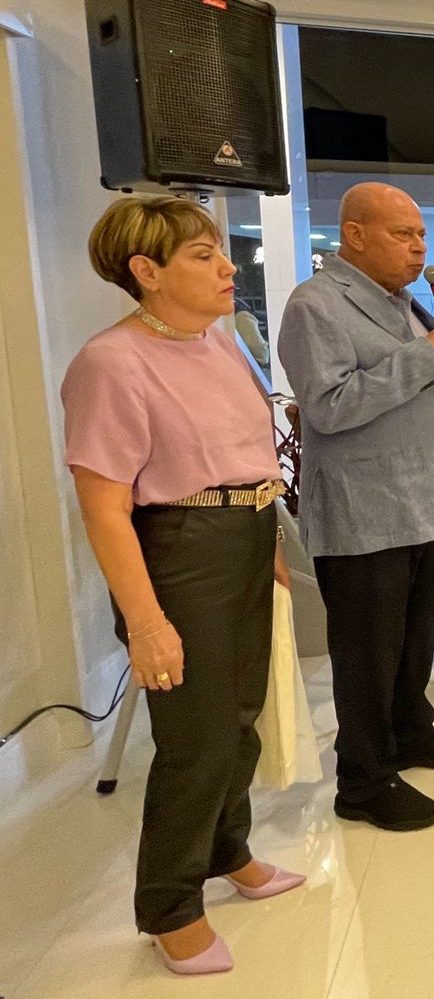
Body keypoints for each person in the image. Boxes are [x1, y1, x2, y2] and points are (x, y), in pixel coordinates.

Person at [62, 195, 303, 976]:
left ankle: (228, 850)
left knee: (240, 717)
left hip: (244, 536)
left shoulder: (218, 342)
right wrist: (145, 623)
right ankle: (170, 905)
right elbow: (104, 505)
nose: (229, 267)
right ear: (147, 271)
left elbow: (245, 456)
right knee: (196, 739)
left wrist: (266, 541)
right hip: (180, 550)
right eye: (203, 256)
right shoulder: (111, 361)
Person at [278, 183, 434, 833]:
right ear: (355, 235)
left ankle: (410, 730)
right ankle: (363, 781)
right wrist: (429, 355)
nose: (419, 247)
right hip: (365, 512)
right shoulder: (316, 305)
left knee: (414, 637)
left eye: (421, 235)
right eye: (404, 234)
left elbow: (412, 387)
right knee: (367, 655)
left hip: (421, 503)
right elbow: (330, 406)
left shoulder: (403, 302)